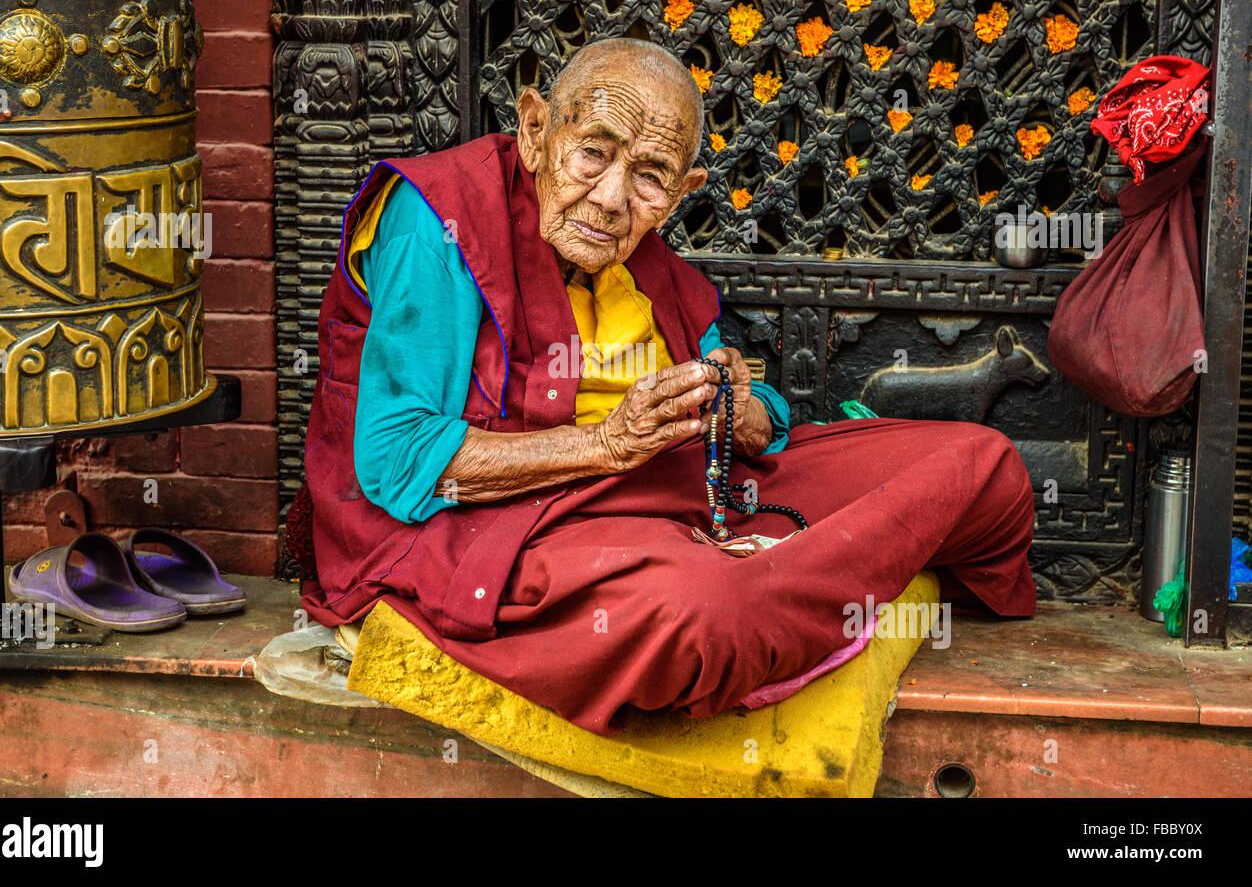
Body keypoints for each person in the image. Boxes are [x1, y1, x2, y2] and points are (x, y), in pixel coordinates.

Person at [294, 37, 1036, 736]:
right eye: (593, 153)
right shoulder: (440, 220)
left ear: (682, 191)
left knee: (984, 466)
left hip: (682, 487)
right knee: (702, 612)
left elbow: (751, 417)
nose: (614, 197)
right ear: (534, 128)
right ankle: (797, 577)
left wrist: (742, 409)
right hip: (497, 520)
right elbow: (396, 460)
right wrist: (606, 444)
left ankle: (783, 580)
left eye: (649, 176)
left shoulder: (649, 264)